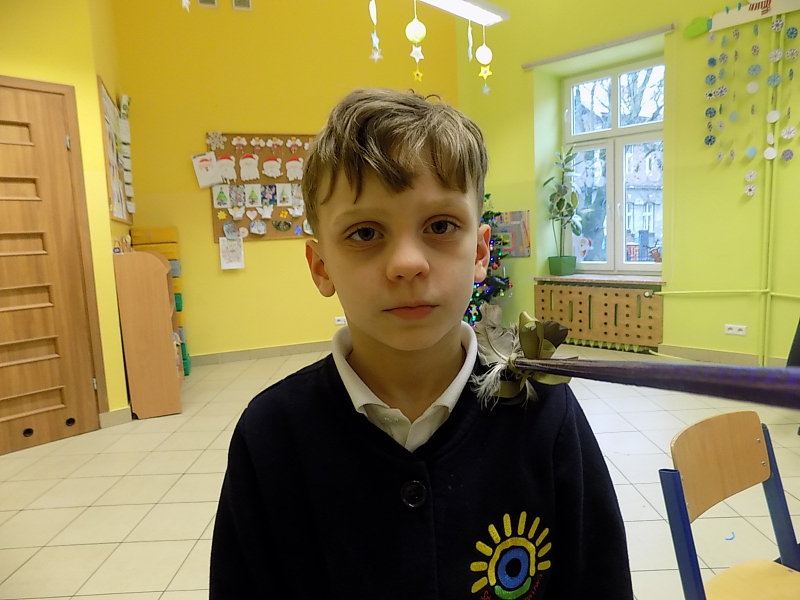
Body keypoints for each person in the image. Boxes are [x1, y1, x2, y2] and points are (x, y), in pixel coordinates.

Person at [210, 88, 633, 600]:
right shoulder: (270, 436)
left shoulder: (544, 413)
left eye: (440, 226)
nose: (408, 263)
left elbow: (600, 580)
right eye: (365, 233)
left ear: (480, 254)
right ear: (321, 267)